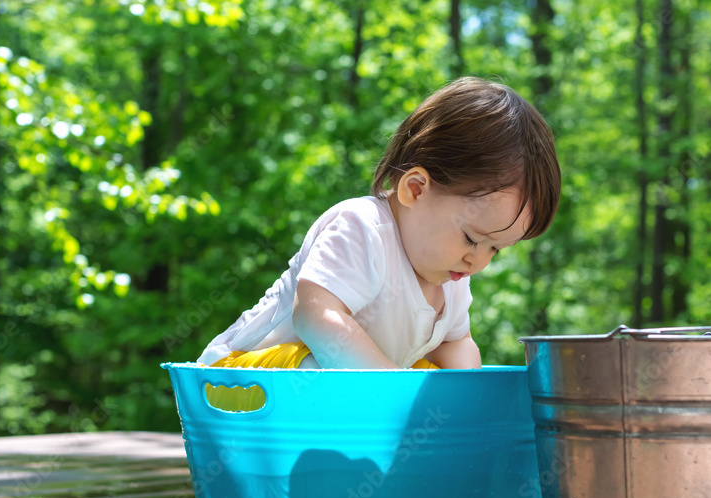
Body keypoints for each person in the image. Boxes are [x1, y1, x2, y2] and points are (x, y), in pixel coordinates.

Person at [198, 77, 561, 373]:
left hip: (332, 408)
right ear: (415, 189)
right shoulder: (364, 228)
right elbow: (315, 315)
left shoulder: (450, 278)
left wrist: (467, 405)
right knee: (321, 366)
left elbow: (456, 345)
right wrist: (393, 392)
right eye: (472, 238)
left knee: (432, 381)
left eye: (495, 249)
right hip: (242, 382)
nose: (478, 262)